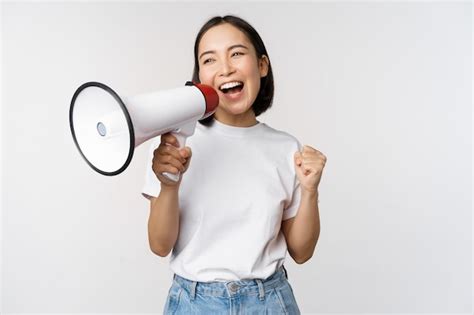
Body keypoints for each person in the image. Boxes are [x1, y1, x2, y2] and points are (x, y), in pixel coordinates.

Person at [142, 15, 327, 315]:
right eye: (209, 60)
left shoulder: (286, 148)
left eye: (237, 53)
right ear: (200, 77)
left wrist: (310, 192)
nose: (225, 68)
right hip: (193, 303)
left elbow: (302, 251)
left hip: (269, 302)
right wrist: (168, 184)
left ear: (262, 65)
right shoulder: (175, 143)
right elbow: (160, 245)